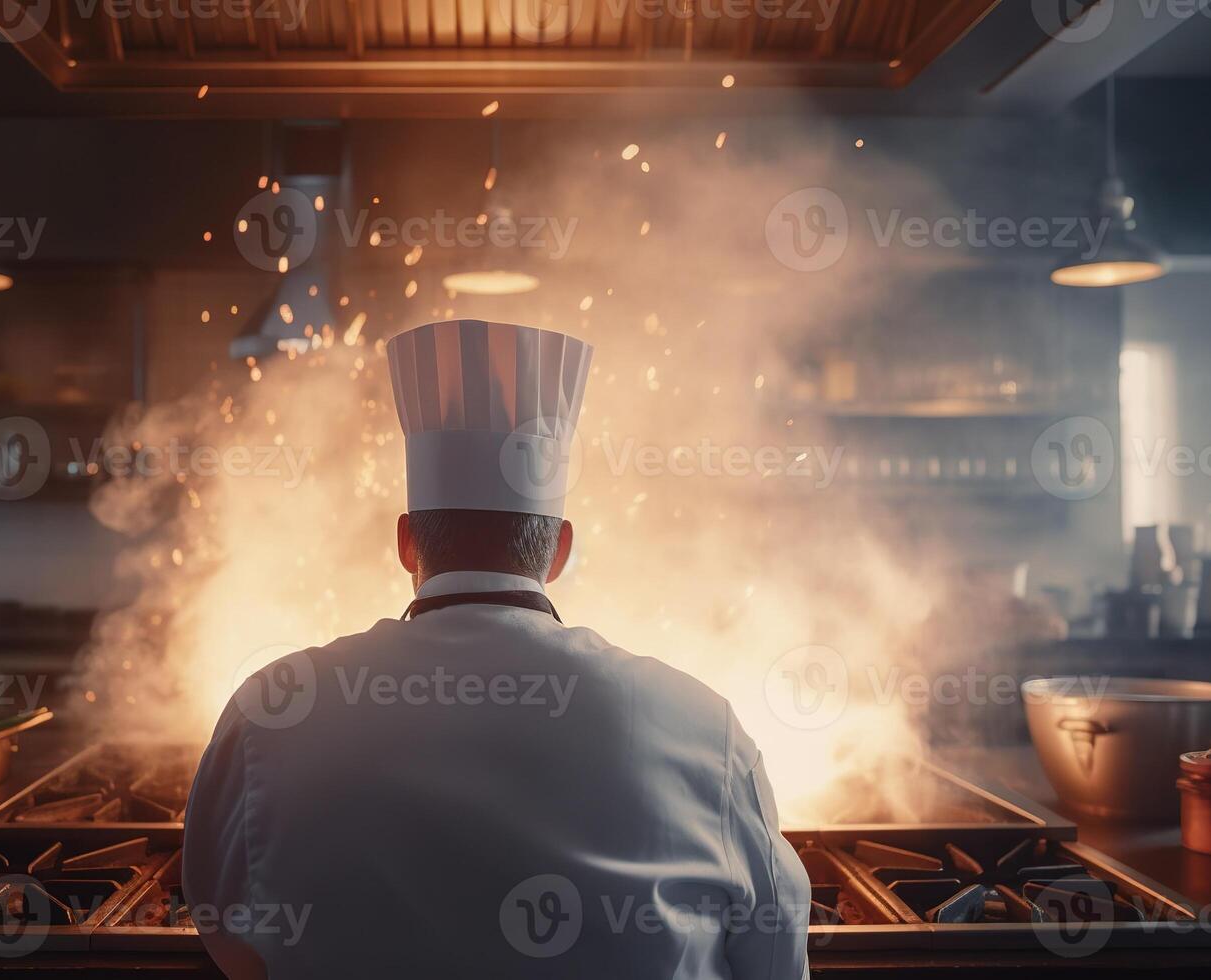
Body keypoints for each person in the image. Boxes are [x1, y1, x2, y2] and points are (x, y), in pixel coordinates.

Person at [183, 319, 810, 979]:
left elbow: (229, 941)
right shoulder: (704, 727)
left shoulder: (271, 710)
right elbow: (772, 962)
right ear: (560, 549)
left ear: (404, 543)